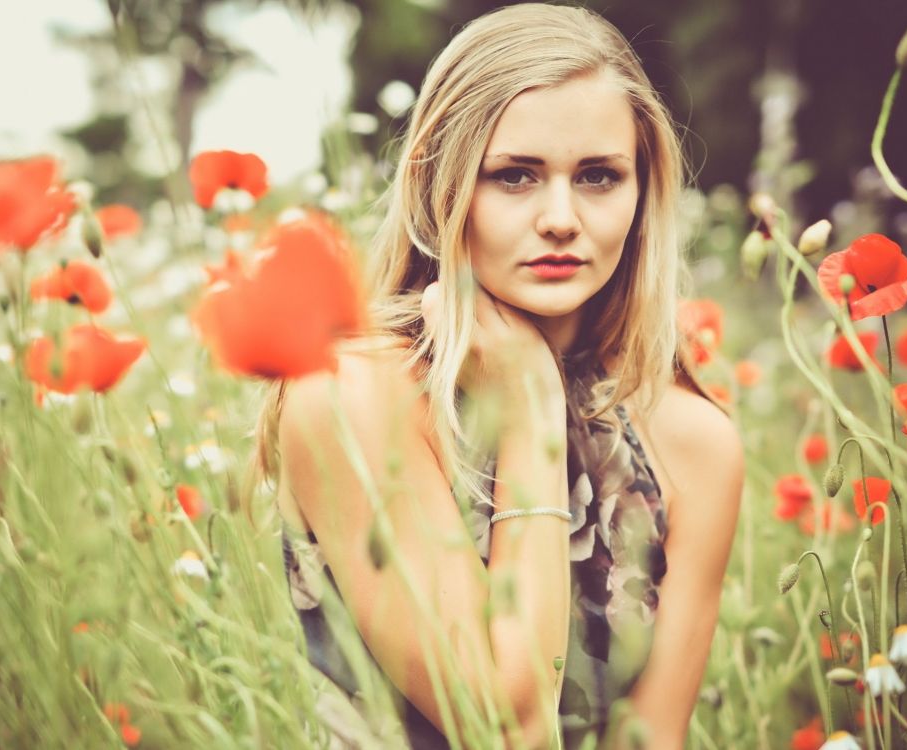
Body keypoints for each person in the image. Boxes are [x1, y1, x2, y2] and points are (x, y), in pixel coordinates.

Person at [259, 4, 743, 747]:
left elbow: (651, 739)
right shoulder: (353, 396)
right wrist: (528, 414)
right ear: (443, 186)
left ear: (642, 195)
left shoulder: (692, 442)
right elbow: (503, 722)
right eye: (515, 176)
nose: (560, 216)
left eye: (598, 176)